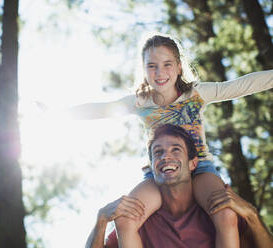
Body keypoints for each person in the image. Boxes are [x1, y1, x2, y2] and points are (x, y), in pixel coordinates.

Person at [56, 33, 273, 247]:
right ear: (144, 70)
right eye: (152, 66)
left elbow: (241, 85)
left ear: (179, 66)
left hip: (200, 169)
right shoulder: (141, 103)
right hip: (158, 172)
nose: (160, 73)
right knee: (125, 219)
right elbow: (101, 109)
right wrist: (58, 114)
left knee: (225, 214)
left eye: (167, 64)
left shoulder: (197, 94)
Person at [85, 124, 273, 248]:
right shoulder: (141, 220)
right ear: (151, 168)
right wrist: (101, 220)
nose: (166, 156)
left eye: (176, 149)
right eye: (158, 152)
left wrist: (251, 215)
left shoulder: (217, 210)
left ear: (193, 163)